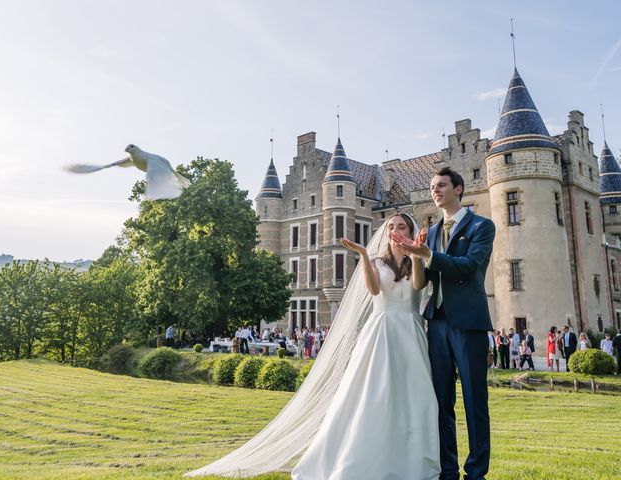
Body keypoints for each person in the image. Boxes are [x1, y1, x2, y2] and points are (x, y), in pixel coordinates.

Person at [186, 214, 441, 479]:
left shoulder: (418, 260)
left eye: (401, 227)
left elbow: (418, 286)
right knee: (374, 395)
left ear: (410, 231)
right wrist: (364, 256)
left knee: (413, 396)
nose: (395, 231)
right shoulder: (377, 262)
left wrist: (415, 255)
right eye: (391, 227)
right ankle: (363, 458)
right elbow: (374, 290)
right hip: (381, 333)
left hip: (410, 333)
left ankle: (412, 462)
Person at [395, 167, 495, 480]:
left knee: (474, 400)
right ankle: (447, 470)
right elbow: (428, 279)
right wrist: (415, 258)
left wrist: (429, 255)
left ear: (459, 189)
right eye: (432, 187)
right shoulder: (433, 231)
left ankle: (476, 472)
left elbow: (469, 267)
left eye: (441, 185)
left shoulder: (482, 226)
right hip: (436, 323)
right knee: (440, 401)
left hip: (468, 323)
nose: (435, 191)